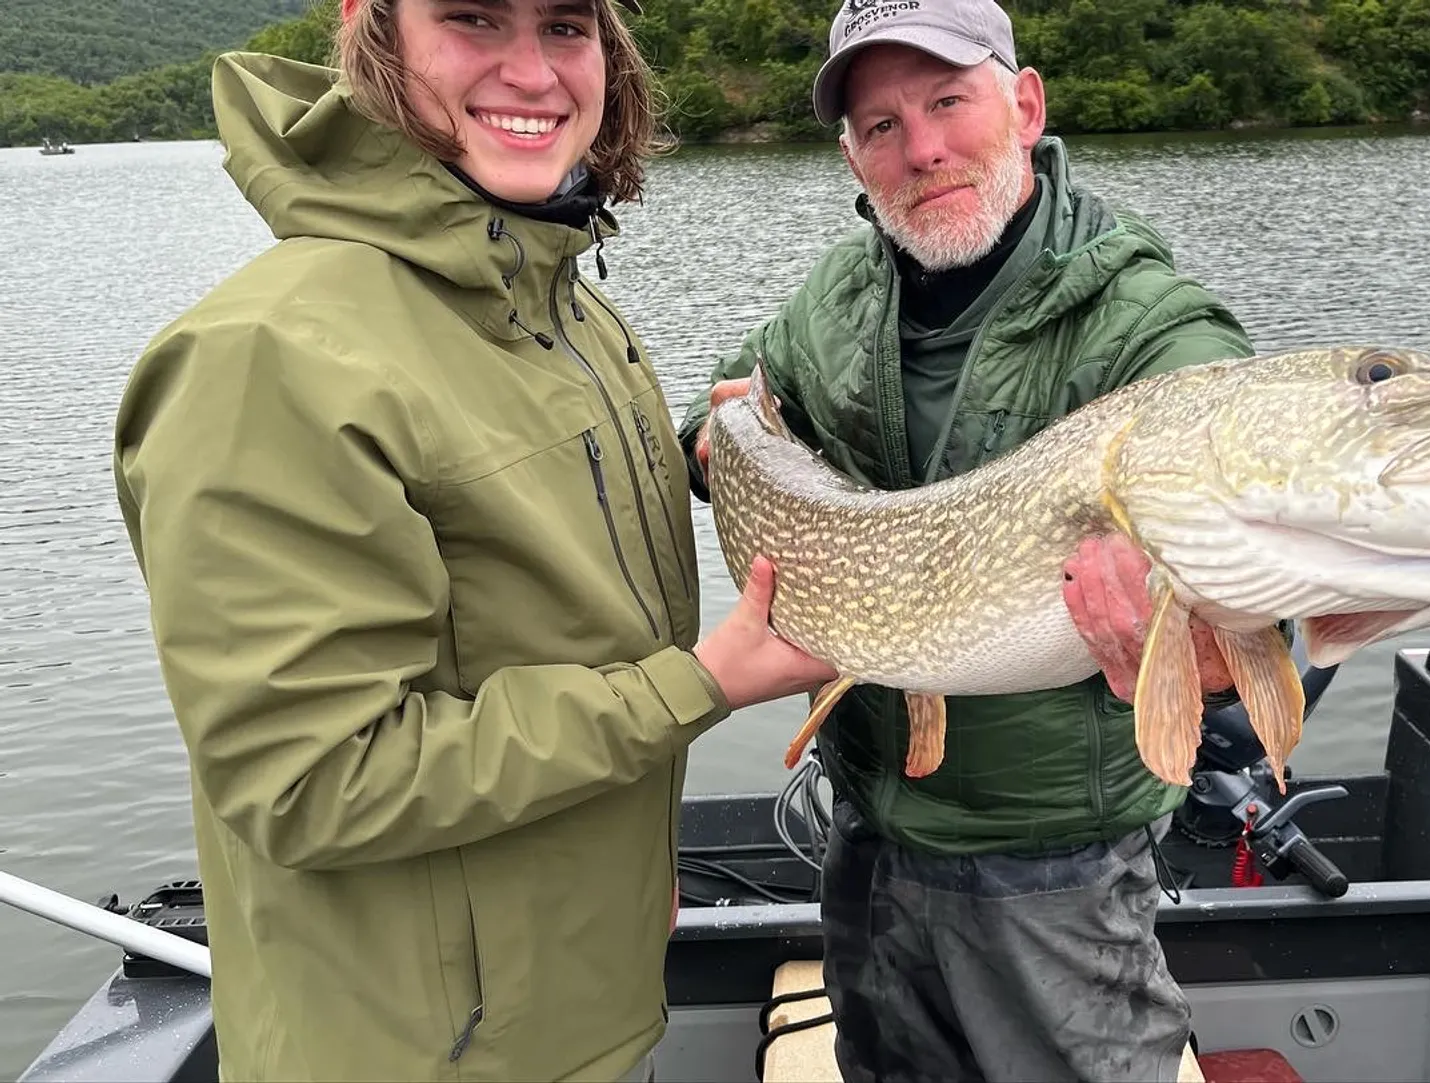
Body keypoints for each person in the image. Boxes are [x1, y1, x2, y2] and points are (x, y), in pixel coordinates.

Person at [111, 1, 834, 1079]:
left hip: (583, 1003)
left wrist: (723, 455)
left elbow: (554, 605)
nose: (533, 73)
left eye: (565, 26)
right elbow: (315, 779)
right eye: (475, 19)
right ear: (374, 27)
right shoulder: (266, 357)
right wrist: (701, 685)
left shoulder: (569, 309)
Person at [675, 1, 1255, 1078]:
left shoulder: (1144, 320)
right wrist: (718, 438)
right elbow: (731, 402)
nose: (923, 149)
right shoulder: (843, 291)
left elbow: (1230, 484)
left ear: (1024, 103)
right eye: (882, 125)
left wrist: (1220, 637)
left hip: (1052, 864)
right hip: (869, 833)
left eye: (948, 101)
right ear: (852, 153)